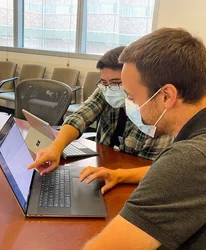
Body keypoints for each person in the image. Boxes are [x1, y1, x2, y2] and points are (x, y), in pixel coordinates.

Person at [83, 27, 206, 249]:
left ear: (167, 96)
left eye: (131, 96)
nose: (131, 105)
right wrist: (122, 175)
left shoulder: (190, 158)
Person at [27, 47, 173, 181]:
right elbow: (80, 116)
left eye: (117, 82)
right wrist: (55, 148)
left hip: (136, 179)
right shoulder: (106, 89)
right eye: (104, 82)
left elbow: (161, 169)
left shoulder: (155, 110)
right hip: (103, 168)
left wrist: (118, 175)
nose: (110, 88)